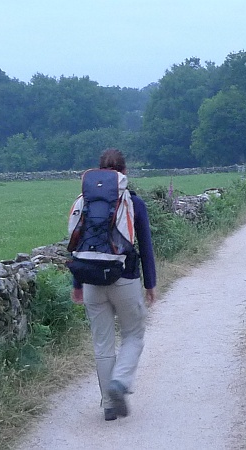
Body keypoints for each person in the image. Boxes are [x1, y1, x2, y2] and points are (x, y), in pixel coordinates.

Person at [71, 148, 157, 421]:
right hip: (125, 277)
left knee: (102, 344)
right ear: (124, 172)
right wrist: (150, 284)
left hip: (92, 280)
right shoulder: (133, 201)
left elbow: (76, 243)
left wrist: (77, 283)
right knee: (133, 334)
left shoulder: (84, 201)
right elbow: (145, 244)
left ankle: (109, 405)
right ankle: (120, 383)